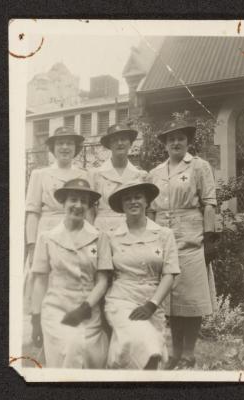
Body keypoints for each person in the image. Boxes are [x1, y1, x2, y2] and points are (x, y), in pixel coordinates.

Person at [148, 119, 217, 369]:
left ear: (188, 142)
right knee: (172, 297)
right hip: (163, 238)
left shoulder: (199, 166)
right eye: (170, 139)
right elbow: (150, 211)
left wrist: (209, 238)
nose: (175, 142)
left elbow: (209, 202)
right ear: (165, 145)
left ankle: (189, 353)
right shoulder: (155, 173)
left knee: (192, 295)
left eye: (180, 138)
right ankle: (175, 353)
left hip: (191, 237)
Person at [30, 178, 113, 368]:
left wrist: (85, 308)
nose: (78, 205)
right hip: (57, 310)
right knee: (72, 346)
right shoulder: (47, 238)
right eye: (73, 200)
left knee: (91, 352)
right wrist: (35, 318)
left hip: (88, 310)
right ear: (63, 202)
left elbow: (102, 281)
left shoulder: (99, 237)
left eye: (84, 201)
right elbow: (40, 280)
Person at [104, 181, 180, 370]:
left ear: (147, 201)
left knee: (149, 354)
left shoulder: (164, 234)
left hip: (153, 303)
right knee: (146, 344)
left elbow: (170, 273)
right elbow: (104, 276)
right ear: (122, 206)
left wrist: (152, 304)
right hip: (121, 300)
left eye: (138, 197)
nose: (133, 202)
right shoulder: (111, 236)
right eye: (127, 199)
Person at [25, 127, 87, 309]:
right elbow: (32, 211)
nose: (65, 147)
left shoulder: (83, 175)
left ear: (76, 147)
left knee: (72, 277)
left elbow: (88, 209)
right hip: (48, 229)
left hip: (75, 229)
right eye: (60, 143)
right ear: (52, 148)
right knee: (44, 277)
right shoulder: (40, 174)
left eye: (70, 143)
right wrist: (31, 245)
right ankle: (41, 326)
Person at [87, 122, 147, 233]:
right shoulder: (96, 174)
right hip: (103, 228)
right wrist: (91, 232)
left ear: (130, 143)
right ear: (109, 145)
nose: (120, 143)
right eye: (115, 140)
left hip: (131, 227)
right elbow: (89, 209)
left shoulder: (140, 175)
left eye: (124, 139)